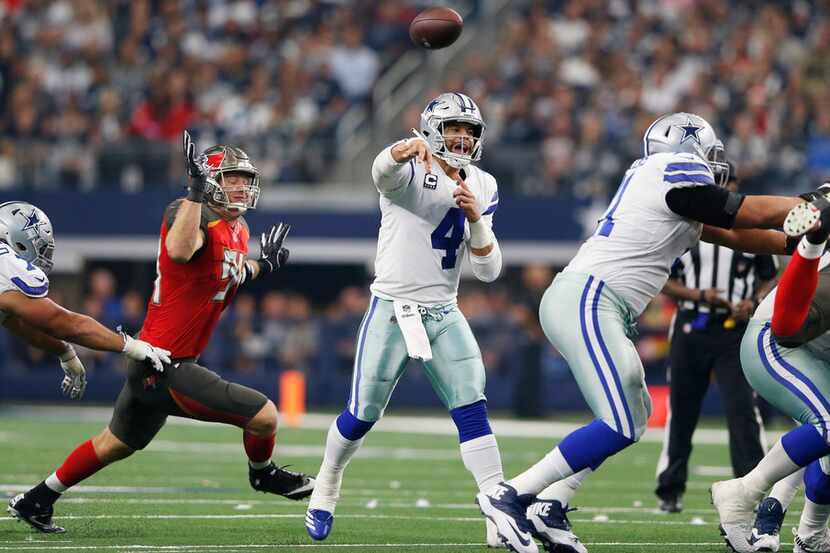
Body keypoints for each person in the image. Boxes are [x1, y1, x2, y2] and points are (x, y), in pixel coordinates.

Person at [475, 112, 809, 553]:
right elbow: (745, 211)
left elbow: (742, 235)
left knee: (631, 417)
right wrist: (811, 205)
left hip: (596, 303)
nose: (714, 168)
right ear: (689, 152)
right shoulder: (669, 170)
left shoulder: (667, 190)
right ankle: (512, 494)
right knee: (617, 419)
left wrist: (802, 240)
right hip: (590, 299)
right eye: (708, 156)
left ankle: (551, 504)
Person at [8, 132, 314, 535]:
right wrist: (193, 194)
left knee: (114, 444)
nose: (241, 185)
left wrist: (265, 265)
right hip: (164, 361)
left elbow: (230, 273)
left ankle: (37, 499)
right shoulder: (190, 213)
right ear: (208, 180)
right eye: (231, 177)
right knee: (264, 417)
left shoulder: (237, 230)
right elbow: (180, 251)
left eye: (244, 178)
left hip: (156, 360)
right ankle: (263, 474)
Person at [304, 92, 506, 548]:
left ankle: (498, 506)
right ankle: (328, 480)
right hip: (393, 308)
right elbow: (381, 171)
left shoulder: (485, 185)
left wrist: (477, 219)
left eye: (470, 131)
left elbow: (490, 272)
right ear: (433, 129)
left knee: (472, 403)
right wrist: (398, 149)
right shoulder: (410, 167)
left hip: (445, 309)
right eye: (455, 128)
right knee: (363, 413)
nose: (464, 137)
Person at [655, 162, 778, 513]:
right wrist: (699, 296)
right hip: (691, 325)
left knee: (742, 410)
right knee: (683, 410)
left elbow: (770, 276)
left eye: (732, 188)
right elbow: (661, 278)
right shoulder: (685, 228)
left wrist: (753, 301)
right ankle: (670, 488)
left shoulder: (751, 233)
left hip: (734, 332)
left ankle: (750, 484)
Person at [712, 190, 830, 553]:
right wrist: (812, 238)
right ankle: (745, 492)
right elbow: (786, 326)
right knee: (828, 426)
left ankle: (810, 534)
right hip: (777, 343)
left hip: (809, 347)